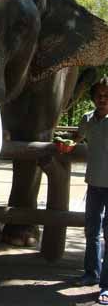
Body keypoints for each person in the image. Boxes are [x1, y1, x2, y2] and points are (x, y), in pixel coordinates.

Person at [74, 77, 108, 304]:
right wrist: (65, 143)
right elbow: (77, 138)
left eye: (107, 95)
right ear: (93, 97)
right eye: (99, 95)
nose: (103, 99)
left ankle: (106, 286)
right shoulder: (87, 119)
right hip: (94, 184)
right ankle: (91, 274)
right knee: (91, 230)